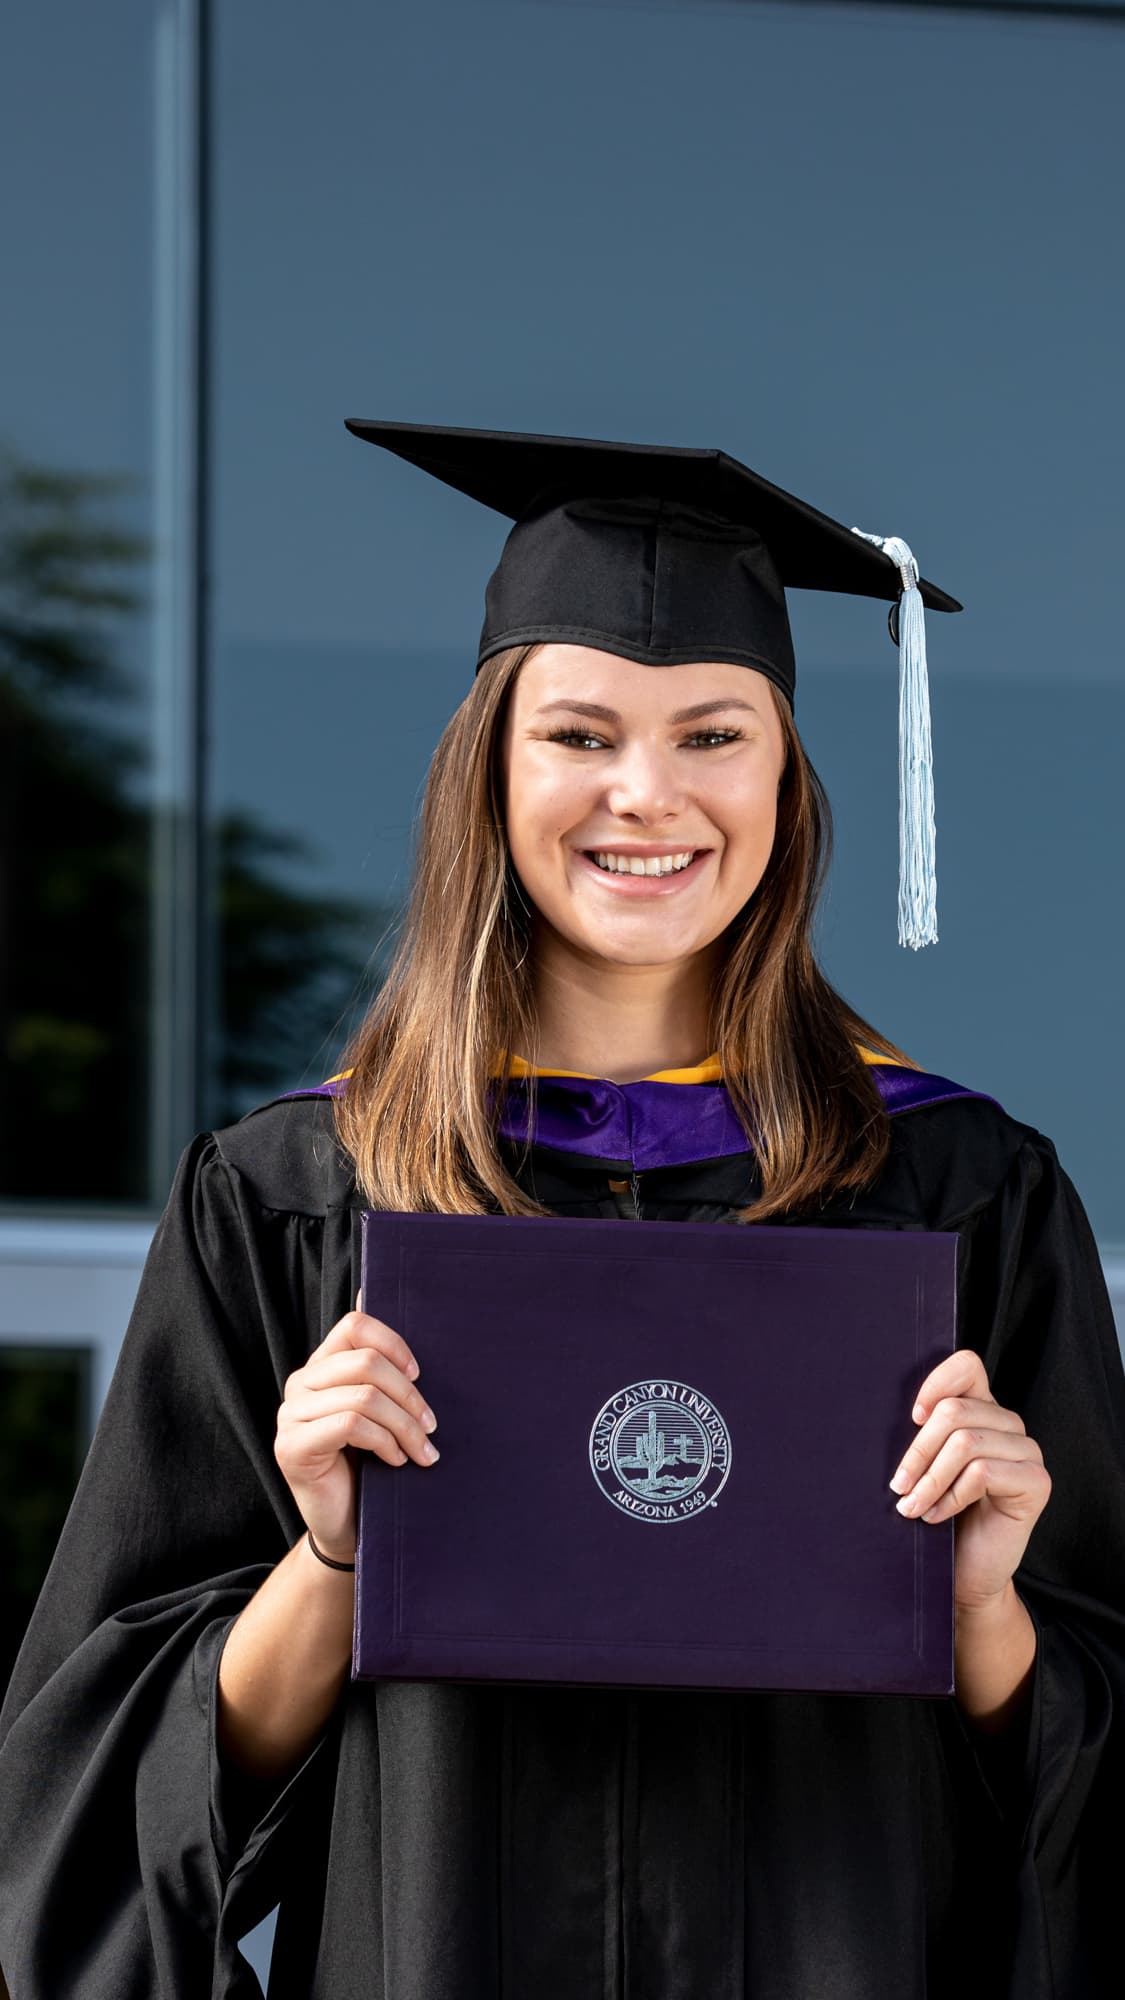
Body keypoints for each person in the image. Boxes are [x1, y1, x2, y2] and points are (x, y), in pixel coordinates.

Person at [1, 421, 1123, 2000]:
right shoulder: (297, 1197)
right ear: (493, 768)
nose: (648, 796)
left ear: (787, 777)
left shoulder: (960, 1193)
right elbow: (97, 1805)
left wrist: (985, 1608)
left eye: (713, 734)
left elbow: (1094, 1748)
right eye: (580, 735)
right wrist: (326, 1558)